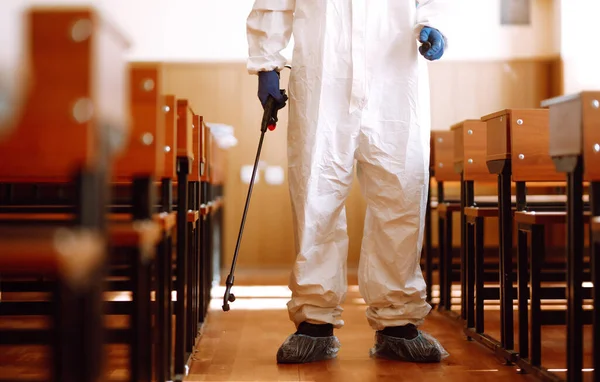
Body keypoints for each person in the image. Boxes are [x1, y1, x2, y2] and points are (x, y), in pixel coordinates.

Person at [246, 0, 450, 364]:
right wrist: (267, 63)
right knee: (315, 195)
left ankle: (397, 322)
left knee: (400, 192)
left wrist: (433, 23)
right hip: (324, 75)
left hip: (395, 76)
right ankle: (314, 322)